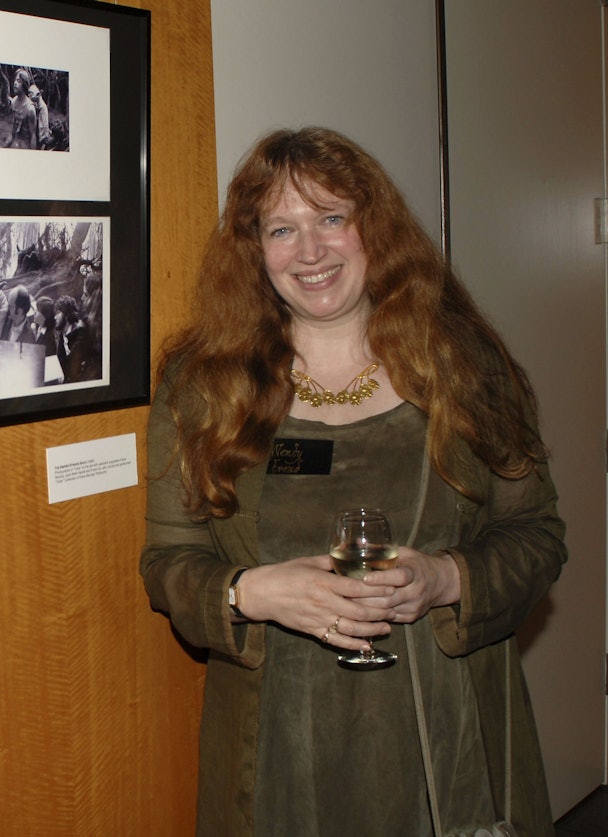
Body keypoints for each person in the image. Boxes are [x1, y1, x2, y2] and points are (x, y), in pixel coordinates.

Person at [140, 127, 567, 836]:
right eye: (283, 228)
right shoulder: (204, 388)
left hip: (447, 732)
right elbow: (167, 564)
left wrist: (447, 577)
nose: (310, 251)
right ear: (256, 252)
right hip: (275, 745)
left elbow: (538, 536)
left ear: (375, 227)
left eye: (332, 218)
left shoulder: (465, 367)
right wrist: (253, 591)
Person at [7, 69, 37, 150]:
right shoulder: (14, 102)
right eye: (15, 81)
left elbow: (33, 136)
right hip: (15, 144)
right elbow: (13, 130)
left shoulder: (30, 109)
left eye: (19, 81)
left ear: (24, 84)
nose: (15, 83)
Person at [28, 83, 53, 149]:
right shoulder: (37, 104)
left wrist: (44, 137)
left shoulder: (42, 107)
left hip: (42, 136)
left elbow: (44, 125)